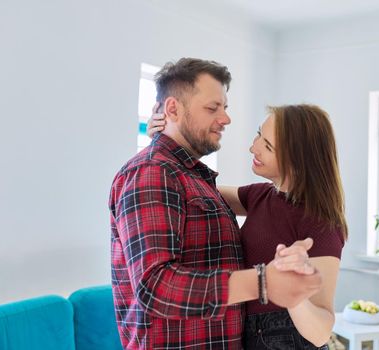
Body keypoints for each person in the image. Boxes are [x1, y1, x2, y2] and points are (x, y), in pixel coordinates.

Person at [109, 57, 323, 350]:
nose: (225, 119)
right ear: (172, 109)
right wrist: (263, 282)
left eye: (225, 108)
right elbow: (156, 287)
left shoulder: (189, 177)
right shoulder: (150, 173)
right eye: (212, 108)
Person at [148, 103, 348, 349]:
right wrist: (164, 144)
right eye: (258, 135)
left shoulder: (320, 223)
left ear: (298, 160)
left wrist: (292, 293)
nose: (253, 147)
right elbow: (187, 188)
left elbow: (320, 333)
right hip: (246, 333)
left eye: (267, 146)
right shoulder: (262, 196)